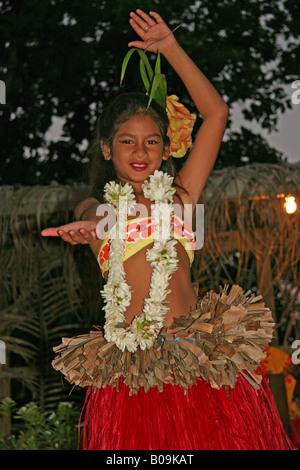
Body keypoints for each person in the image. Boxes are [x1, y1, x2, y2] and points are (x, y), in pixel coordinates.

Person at [41, 10, 293, 450]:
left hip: (198, 358)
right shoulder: (102, 210)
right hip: (138, 368)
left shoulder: (180, 198)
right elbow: (90, 208)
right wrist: (89, 224)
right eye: (127, 141)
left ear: (165, 147)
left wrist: (170, 48)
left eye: (151, 141)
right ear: (106, 147)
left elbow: (215, 114)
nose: (140, 152)